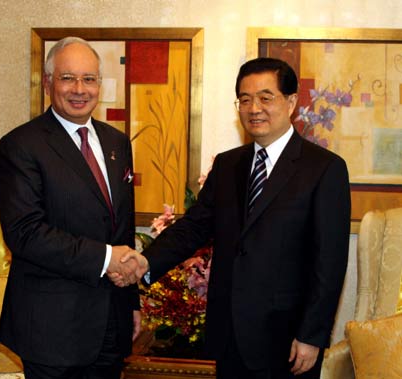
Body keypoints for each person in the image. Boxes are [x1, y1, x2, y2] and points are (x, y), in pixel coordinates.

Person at [115, 57, 351, 379]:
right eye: (245, 99)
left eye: (266, 98)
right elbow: (194, 227)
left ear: (292, 102)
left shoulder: (324, 169)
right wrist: (144, 263)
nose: (254, 108)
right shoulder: (227, 166)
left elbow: (330, 262)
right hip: (229, 335)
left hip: (287, 339)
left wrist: (312, 334)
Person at [0, 36, 147, 379]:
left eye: (89, 79)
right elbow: (25, 233)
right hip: (53, 330)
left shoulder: (117, 142)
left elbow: (121, 228)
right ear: (49, 83)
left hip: (111, 319)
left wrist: (132, 302)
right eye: (68, 78)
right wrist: (107, 258)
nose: (80, 89)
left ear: (99, 84)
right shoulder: (21, 145)